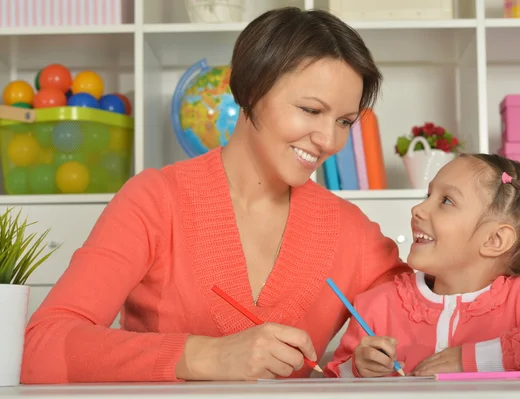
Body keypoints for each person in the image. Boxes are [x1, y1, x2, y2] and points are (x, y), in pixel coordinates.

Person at [20, 7, 412, 384]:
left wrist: (365, 359)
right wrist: (206, 355)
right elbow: (40, 349)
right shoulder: (155, 200)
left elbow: (435, 323)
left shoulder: (354, 234)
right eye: (311, 110)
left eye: (344, 121)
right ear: (250, 89)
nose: (329, 141)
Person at [324, 154, 520, 378]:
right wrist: (356, 368)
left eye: (446, 200)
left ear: (494, 240)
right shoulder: (378, 305)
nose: (417, 209)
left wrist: (480, 358)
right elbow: (334, 378)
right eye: (428, 196)